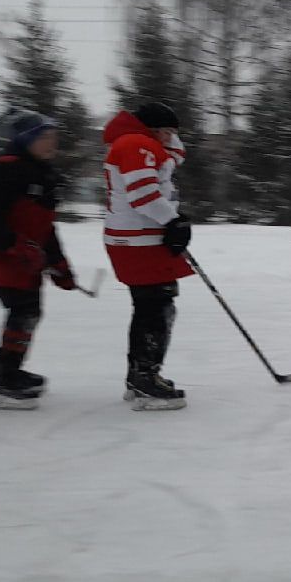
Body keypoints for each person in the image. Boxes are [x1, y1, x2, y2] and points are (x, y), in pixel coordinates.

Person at [0, 110, 77, 409]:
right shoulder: (7, 169)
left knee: (30, 310)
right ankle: (5, 379)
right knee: (24, 309)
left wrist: (60, 265)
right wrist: (15, 246)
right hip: (3, 255)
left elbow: (45, 226)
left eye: (54, 136)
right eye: (44, 137)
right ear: (25, 140)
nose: (51, 143)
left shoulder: (43, 172)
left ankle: (9, 370)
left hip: (28, 258)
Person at [102, 100, 192, 411]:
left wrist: (171, 221)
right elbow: (142, 194)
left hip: (142, 239)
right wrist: (173, 220)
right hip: (137, 241)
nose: (171, 139)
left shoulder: (143, 143)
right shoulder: (135, 143)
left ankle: (140, 376)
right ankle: (145, 380)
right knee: (156, 307)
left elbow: (175, 156)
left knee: (154, 306)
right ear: (152, 130)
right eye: (167, 132)